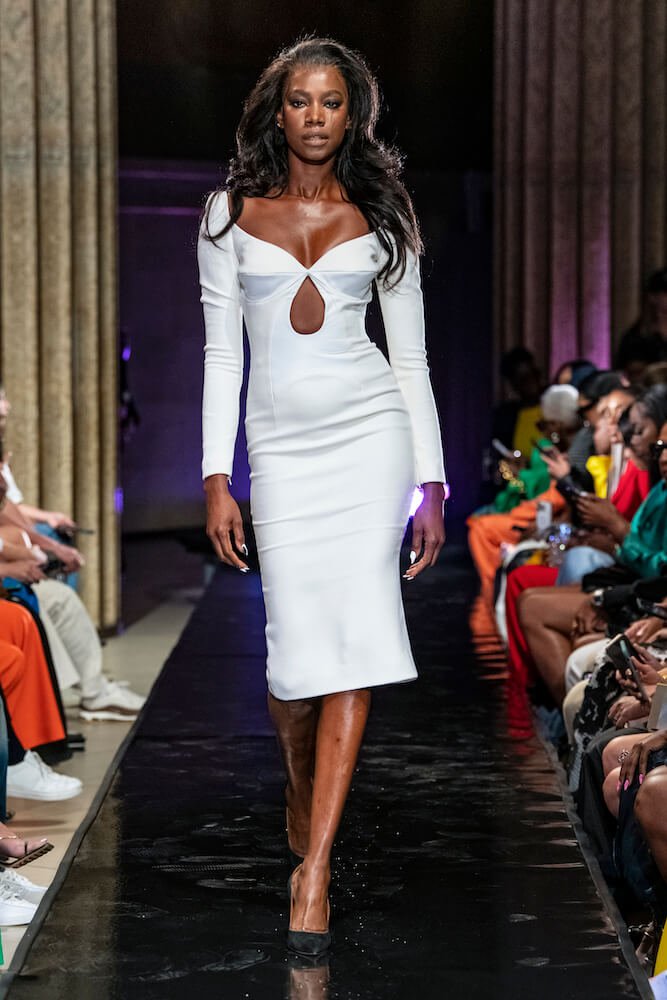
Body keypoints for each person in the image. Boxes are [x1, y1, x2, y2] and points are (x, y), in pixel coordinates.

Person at [198, 37, 446, 955]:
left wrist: (431, 481)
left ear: (353, 114)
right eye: (299, 100)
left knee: (355, 647)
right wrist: (215, 476)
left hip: (370, 440)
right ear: (278, 110)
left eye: (331, 101)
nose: (314, 116)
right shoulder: (228, 214)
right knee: (293, 661)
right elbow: (222, 355)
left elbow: (410, 359)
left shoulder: (385, 213)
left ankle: (315, 872)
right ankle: (300, 784)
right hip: (281, 451)